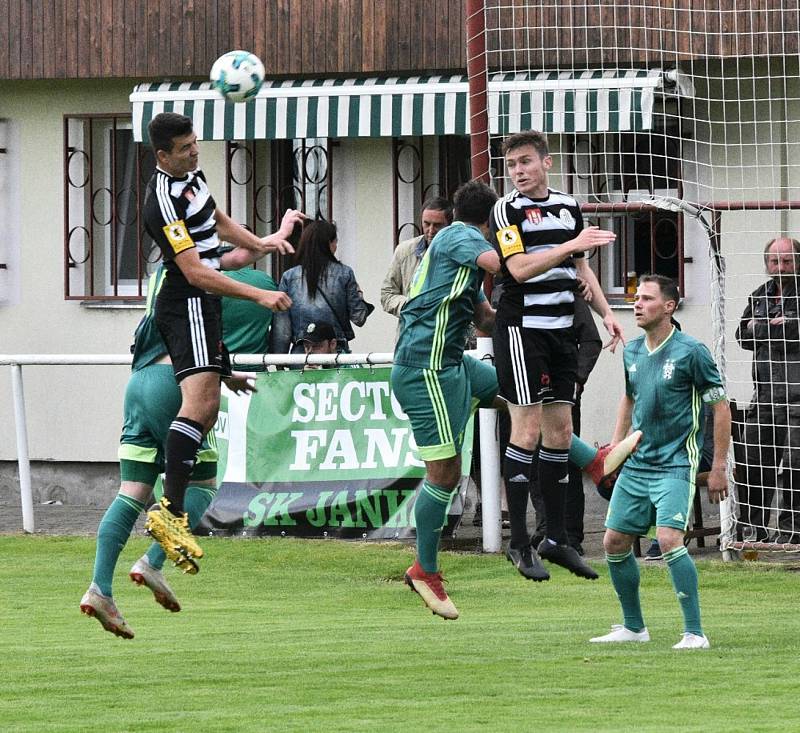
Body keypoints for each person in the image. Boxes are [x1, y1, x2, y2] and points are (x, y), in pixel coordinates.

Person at [140, 112, 303, 570]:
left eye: (196, 143)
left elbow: (218, 219)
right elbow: (194, 271)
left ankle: (167, 518)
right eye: (185, 147)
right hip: (187, 297)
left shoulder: (194, 177)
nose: (195, 151)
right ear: (162, 155)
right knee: (198, 407)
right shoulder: (161, 202)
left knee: (208, 408)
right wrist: (260, 294)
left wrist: (264, 243)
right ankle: (169, 512)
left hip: (203, 302)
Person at [79, 260, 277, 638]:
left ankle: (100, 588)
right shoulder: (196, 274)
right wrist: (264, 263)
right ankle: (152, 562)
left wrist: (225, 374)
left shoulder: (159, 274)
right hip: (177, 386)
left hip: (139, 383)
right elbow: (216, 291)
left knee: (131, 493)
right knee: (202, 485)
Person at [489, 130, 623, 581]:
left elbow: (581, 266)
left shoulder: (568, 206)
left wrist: (606, 314)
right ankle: (519, 542)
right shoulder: (506, 209)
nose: (518, 172)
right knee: (524, 431)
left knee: (562, 432)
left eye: (525, 162)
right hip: (522, 330)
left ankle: (556, 538)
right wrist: (570, 246)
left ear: (547, 162)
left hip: (563, 329)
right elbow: (519, 269)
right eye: (511, 165)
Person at [590, 274, 730, 650]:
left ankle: (694, 633)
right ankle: (634, 627)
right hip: (637, 465)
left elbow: (720, 407)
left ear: (669, 307)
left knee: (669, 539)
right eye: (635, 298)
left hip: (675, 465)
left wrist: (718, 467)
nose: (637, 304)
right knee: (614, 541)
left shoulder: (691, 352)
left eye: (647, 299)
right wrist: (615, 449)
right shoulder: (633, 351)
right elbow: (629, 399)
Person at [392, 180, 503, 619]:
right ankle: (425, 568)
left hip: (452, 361)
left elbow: (488, 321)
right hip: (427, 368)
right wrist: (561, 249)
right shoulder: (461, 235)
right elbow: (507, 266)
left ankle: (593, 460)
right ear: (490, 221)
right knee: (444, 473)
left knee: (523, 400)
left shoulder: (459, 267)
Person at [736, 236, 800, 543]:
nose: (780, 266)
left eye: (787, 260)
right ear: (766, 264)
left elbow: (795, 331)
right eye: (775, 261)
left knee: (795, 469)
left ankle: (791, 531)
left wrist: (761, 328)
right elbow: (741, 335)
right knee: (753, 464)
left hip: (797, 399)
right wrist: (771, 326)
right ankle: (753, 529)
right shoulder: (759, 296)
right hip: (763, 398)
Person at [528, 292, 603, 555]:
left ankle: (570, 536)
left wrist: (577, 380)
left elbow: (592, 340)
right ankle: (544, 529)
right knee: (534, 463)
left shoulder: (566, 296)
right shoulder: (514, 294)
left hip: (561, 395)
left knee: (564, 463)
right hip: (526, 396)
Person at [270, 220, 374, 354]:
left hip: (301, 353)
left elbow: (282, 330)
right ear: (329, 244)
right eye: (335, 241)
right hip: (335, 352)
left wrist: (279, 361)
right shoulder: (344, 273)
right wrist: (359, 294)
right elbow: (359, 318)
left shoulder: (289, 277)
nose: (336, 246)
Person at [380, 196, 453, 339]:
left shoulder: (459, 252)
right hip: (410, 335)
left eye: (437, 225)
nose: (431, 230)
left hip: (446, 334)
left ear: (449, 225)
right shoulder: (405, 251)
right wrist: (412, 306)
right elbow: (387, 294)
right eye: (426, 224)